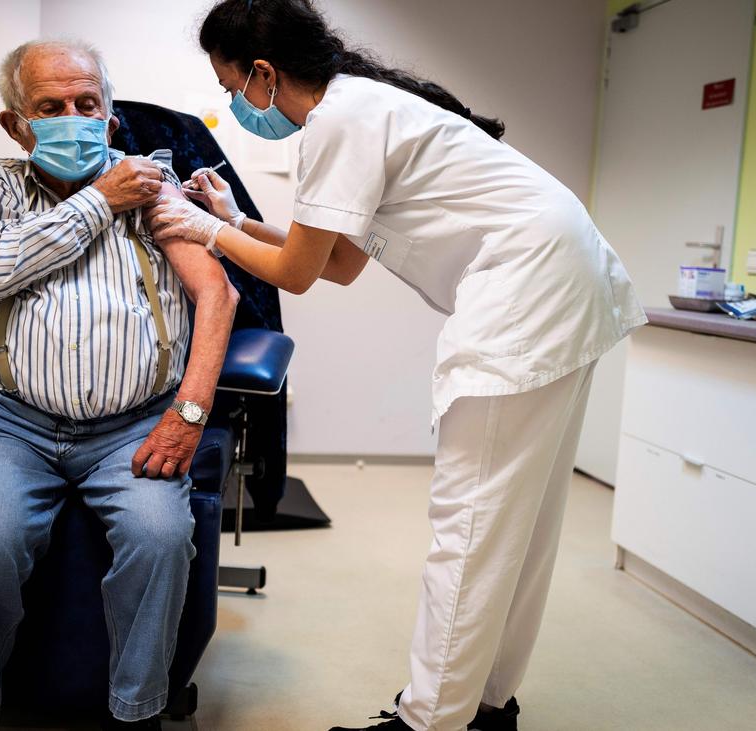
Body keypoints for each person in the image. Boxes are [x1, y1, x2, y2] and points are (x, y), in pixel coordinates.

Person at [144, 2, 645, 730]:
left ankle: (428, 721)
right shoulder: (362, 106)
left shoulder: (338, 121)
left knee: (470, 524)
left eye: (231, 87)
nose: (235, 105)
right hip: (568, 281)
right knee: (520, 524)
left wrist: (205, 230)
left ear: (264, 73)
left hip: (527, 290)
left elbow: (296, 274)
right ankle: (487, 705)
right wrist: (233, 219)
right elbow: (338, 262)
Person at [0, 39, 239, 731]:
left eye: (86, 103)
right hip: (13, 422)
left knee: (160, 537)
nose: (73, 118)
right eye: (50, 107)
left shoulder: (151, 182)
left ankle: (136, 712)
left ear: (109, 116)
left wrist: (189, 412)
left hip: (134, 425)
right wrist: (101, 199)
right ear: (17, 125)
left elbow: (216, 295)